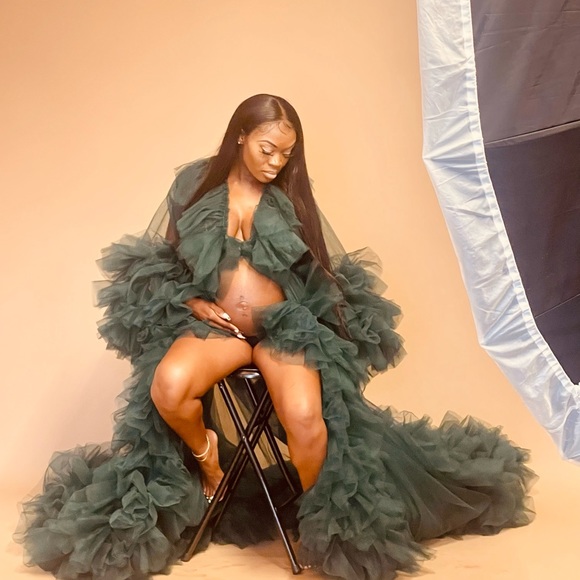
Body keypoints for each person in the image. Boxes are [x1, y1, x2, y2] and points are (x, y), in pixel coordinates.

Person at [16, 94, 535, 580]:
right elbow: (165, 261)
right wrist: (192, 301)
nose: (276, 162)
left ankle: (318, 520)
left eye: (286, 154)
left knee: (307, 419)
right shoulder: (195, 184)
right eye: (267, 149)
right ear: (240, 136)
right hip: (217, 328)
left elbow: (319, 271)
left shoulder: (290, 195)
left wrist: (323, 320)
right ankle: (208, 457)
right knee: (168, 387)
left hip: (283, 327)